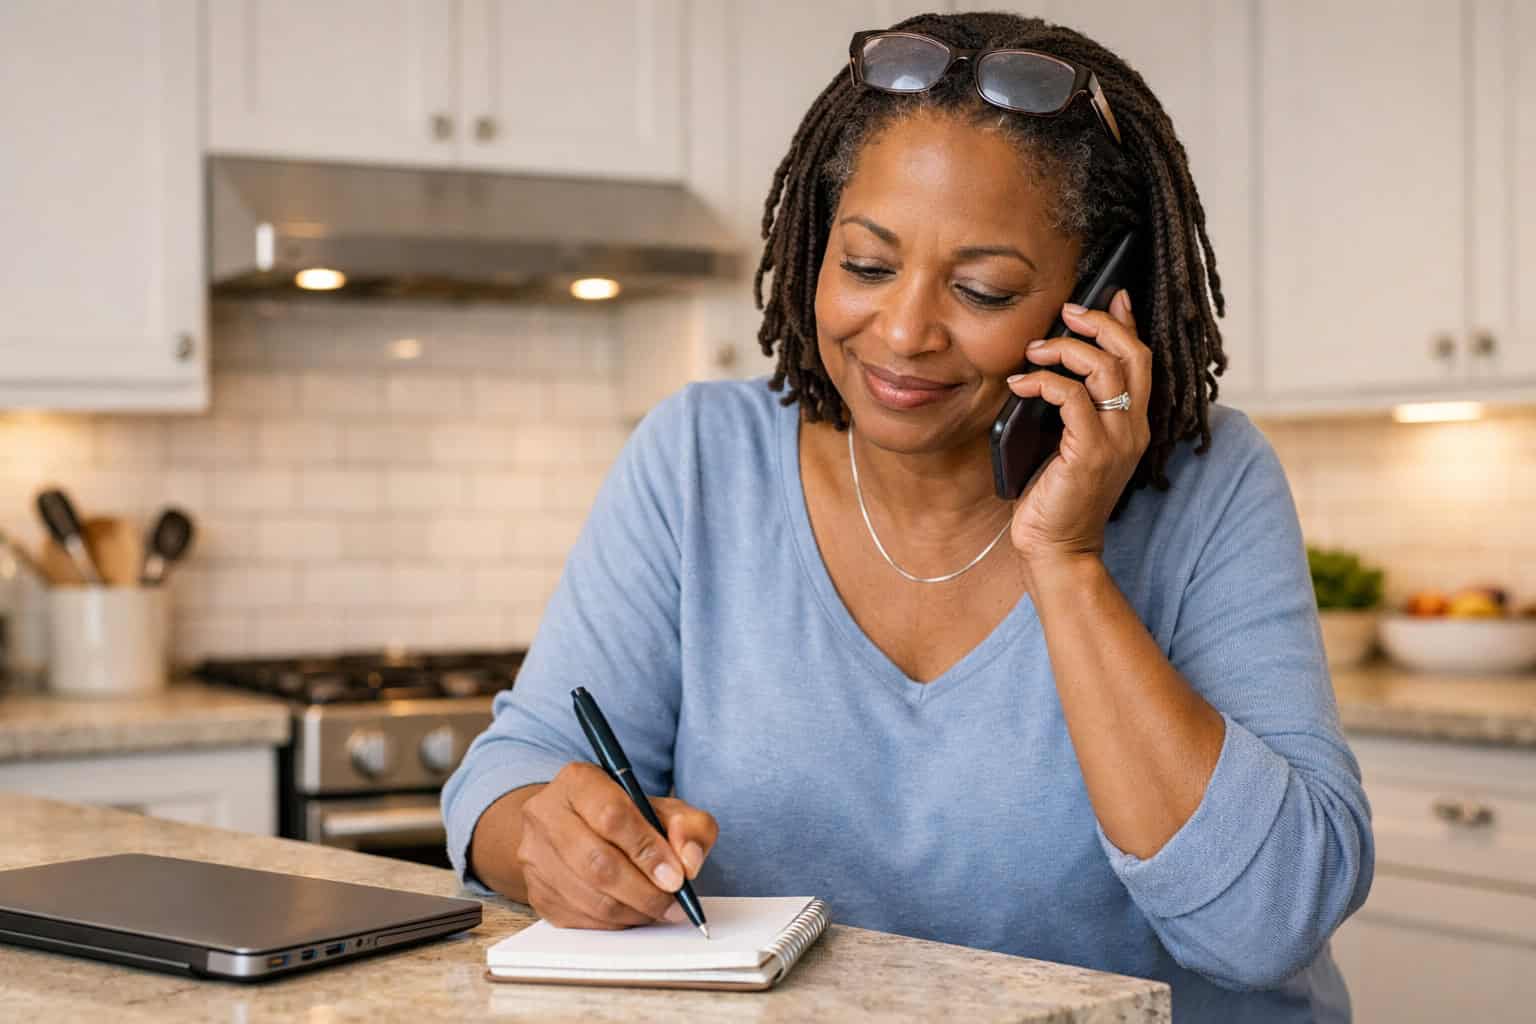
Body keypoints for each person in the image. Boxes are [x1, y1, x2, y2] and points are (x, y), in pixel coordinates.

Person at [443, 11, 1373, 1022]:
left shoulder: (1207, 481)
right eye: (868, 265)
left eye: (981, 288)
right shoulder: (700, 460)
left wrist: (1066, 558)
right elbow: (512, 772)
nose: (902, 331)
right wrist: (548, 837)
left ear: (1102, 303)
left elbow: (1268, 924)